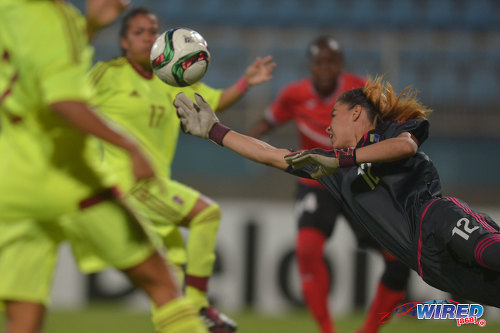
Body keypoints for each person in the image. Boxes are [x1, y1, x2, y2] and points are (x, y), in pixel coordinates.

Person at [172, 76, 500, 308]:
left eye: (333, 116)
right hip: (431, 267)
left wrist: (344, 158)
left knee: (490, 254)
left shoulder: (393, 130)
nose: (327, 127)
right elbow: (272, 154)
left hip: (437, 219)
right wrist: (216, 131)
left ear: (356, 113)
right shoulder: (333, 170)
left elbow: (404, 147)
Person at [0, 1, 208, 333]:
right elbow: (62, 100)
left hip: (11, 183)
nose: (122, 3)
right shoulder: (57, 17)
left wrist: (91, 27)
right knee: (162, 283)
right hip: (64, 177)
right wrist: (129, 146)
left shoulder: (8, 10)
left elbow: (41, 57)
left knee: (24, 318)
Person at [80, 6, 275, 332]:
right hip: (127, 185)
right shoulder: (107, 74)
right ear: (124, 41)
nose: (148, 38)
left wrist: (246, 83)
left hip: (155, 186)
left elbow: (210, 104)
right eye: (139, 32)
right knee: (206, 214)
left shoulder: (171, 78)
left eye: (153, 31)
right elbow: (72, 100)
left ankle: (185, 321)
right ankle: (199, 307)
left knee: (168, 287)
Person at [248, 36, 410, 333]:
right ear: (310, 65)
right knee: (307, 250)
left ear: (341, 64)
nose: (325, 67)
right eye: (319, 61)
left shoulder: (362, 91)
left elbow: (394, 125)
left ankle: (369, 330)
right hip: (317, 183)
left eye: (331, 61)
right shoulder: (293, 94)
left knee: (398, 256)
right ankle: (327, 330)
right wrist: (245, 142)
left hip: (357, 182)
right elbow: (265, 123)